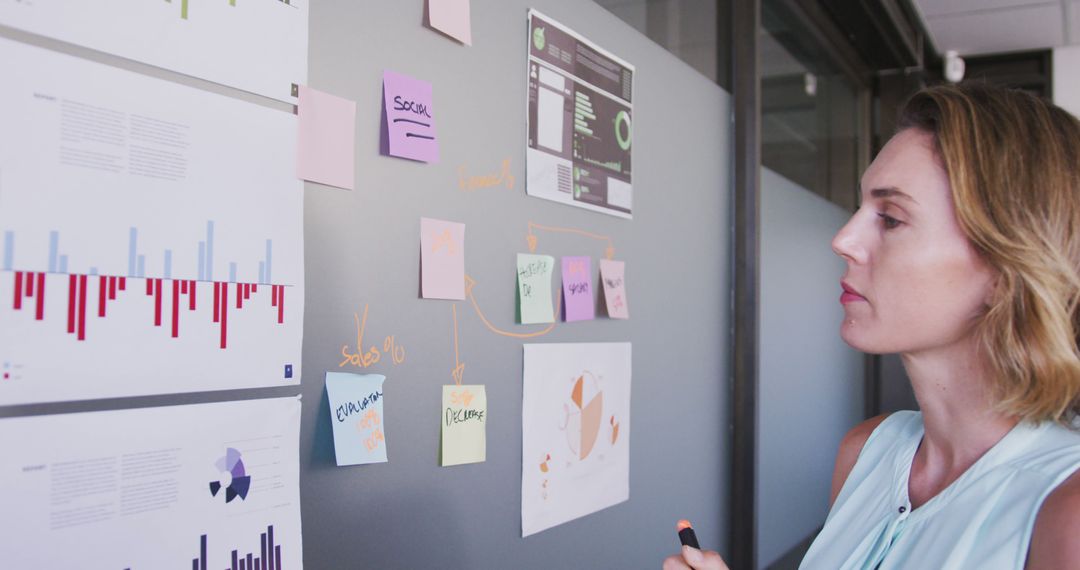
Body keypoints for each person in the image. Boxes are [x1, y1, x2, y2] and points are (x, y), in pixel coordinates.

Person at [665, 82, 1080, 569]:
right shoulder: (865, 452)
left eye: (890, 218)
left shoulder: (1064, 512)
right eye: (860, 208)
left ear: (1006, 264)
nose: (843, 239)